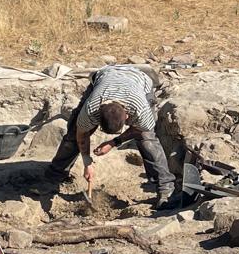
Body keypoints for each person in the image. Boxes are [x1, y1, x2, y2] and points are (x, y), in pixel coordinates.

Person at [46, 66, 181, 209]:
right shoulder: (92, 108)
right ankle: (53, 178)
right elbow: (82, 133)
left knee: (147, 139)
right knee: (73, 133)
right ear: (98, 117)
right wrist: (87, 162)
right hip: (105, 76)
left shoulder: (139, 108)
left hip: (139, 81)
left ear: (127, 116)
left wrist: (114, 142)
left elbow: (141, 128)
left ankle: (166, 188)